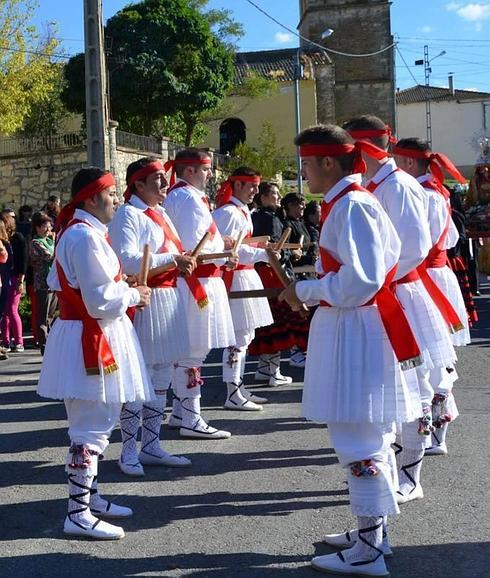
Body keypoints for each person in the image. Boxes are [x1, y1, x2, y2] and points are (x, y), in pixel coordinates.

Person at [280, 124, 423, 576]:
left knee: (358, 438)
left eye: (306, 164)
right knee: (367, 437)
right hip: (358, 326)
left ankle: (368, 551)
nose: (303, 174)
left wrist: (307, 288)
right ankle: (373, 534)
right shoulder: (353, 202)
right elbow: (391, 257)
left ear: (327, 162)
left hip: (356, 330)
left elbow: (362, 281)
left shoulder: (352, 206)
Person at [344, 115, 459, 504]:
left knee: (417, 385)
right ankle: (393, 471)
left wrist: (373, 279)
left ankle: (411, 474)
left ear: (361, 147)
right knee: (395, 387)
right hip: (387, 294)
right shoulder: (377, 184)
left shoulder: (400, 186)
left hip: (401, 296)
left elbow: (414, 246)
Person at [37, 168, 153, 540]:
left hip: (89, 333)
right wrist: (135, 294)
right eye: (111, 194)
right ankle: (78, 512)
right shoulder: (85, 238)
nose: (117, 200)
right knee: (90, 426)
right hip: (92, 336)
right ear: (90, 198)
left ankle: (90, 497)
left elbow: (77, 285)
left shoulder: (83, 234)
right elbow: (100, 300)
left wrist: (124, 285)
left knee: (97, 421)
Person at [110, 157, 196, 474]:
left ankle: (151, 446)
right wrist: (174, 259)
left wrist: (180, 260)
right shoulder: (127, 215)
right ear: (139, 183)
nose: (164, 184)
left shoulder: (158, 214)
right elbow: (128, 262)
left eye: (164, 178)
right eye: (157, 179)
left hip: (168, 298)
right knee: (139, 378)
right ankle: (128, 452)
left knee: (161, 376)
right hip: (144, 301)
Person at [393, 138, 470, 456]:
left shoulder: (421, 194)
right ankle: (437, 433)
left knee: (424, 360)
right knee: (436, 357)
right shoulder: (438, 190)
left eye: (397, 161)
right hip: (439, 275)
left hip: (423, 278)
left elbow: (412, 244)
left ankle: (426, 435)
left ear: (409, 164)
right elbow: (450, 237)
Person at [164, 148, 236, 439]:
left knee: (191, 349)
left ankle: (181, 412)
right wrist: (223, 253)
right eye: (206, 169)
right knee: (194, 350)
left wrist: (222, 244)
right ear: (191, 170)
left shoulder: (182, 196)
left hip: (198, 281)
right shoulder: (188, 198)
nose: (210, 175)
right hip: (199, 283)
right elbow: (196, 246)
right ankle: (191, 418)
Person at [213, 167, 273, 411]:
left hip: (246, 274)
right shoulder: (228, 212)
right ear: (237, 185)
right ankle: (232, 391)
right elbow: (231, 249)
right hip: (236, 276)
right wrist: (265, 254)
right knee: (238, 336)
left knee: (245, 336)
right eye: (251, 186)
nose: (255, 191)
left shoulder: (241, 211)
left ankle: (238, 386)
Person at [249, 182, 297, 385]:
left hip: (257, 272)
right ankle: (273, 372)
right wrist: (290, 254)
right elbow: (275, 250)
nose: (278, 197)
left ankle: (263, 368)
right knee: (276, 322)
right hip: (271, 273)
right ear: (264, 197)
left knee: (264, 322)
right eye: (275, 194)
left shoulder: (253, 216)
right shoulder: (272, 219)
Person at [29, 211, 57, 355]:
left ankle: (51, 342)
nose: (49, 229)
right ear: (37, 228)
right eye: (45, 226)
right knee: (43, 315)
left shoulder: (50, 241)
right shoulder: (36, 243)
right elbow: (49, 256)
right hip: (43, 283)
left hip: (53, 282)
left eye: (49, 226)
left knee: (51, 314)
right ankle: (44, 344)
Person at [0, 209, 27, 352]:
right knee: (4, 310)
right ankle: (5, 340)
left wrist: (21, 280)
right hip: (4, 277)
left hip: (15, 277)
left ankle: (19, 341)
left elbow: (23, 260)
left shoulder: (18, 238)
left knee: (11, 308)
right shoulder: (3, 240)